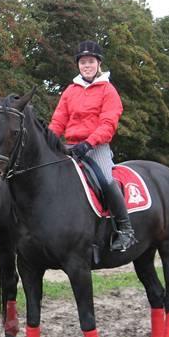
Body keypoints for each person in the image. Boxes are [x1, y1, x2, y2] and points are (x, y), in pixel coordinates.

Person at [48, 40, 137, 252]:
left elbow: (108, 123)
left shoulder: (108, 90)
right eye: (82, 62)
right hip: (70, 146)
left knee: (106, 181)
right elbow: (59, 120)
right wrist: (49, 140)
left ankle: (125, 230)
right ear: (78, 65)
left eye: (90, 62)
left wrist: (89, 143)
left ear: (98, 64)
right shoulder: (70, 90)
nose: (86, 66)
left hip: (96, 147)